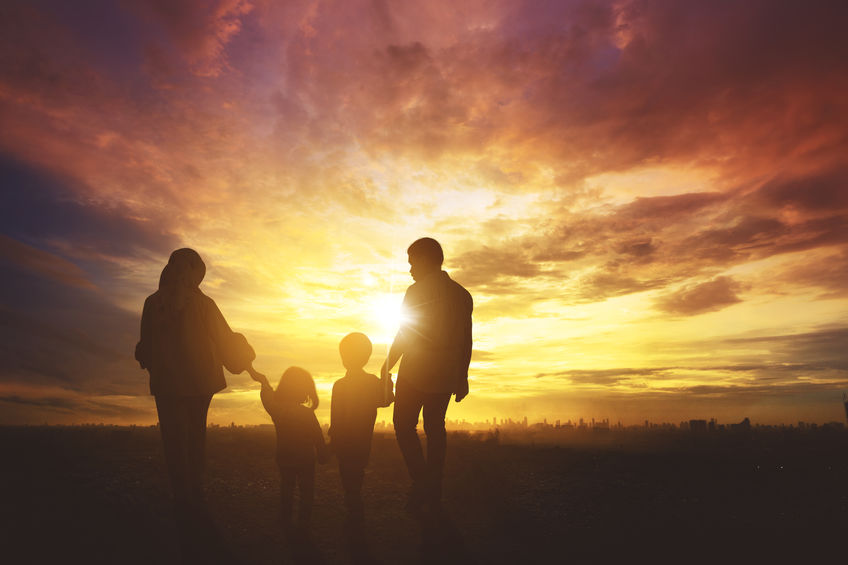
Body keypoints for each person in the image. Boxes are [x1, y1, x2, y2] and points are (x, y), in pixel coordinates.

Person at [135, 248, 257, 562]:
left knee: (180, 439)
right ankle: (191, 496)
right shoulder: (199, 303)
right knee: (188, 438)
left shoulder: (158, 302)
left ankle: (186, 496)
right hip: (192, 382)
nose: (187, 275)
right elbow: (226, 341)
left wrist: (151, 357)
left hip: (176, 384)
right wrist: (246, 360)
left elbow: (145, 349)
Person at [381, 237, 473, 515]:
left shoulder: (415, 291)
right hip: (445, 373)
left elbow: (406, 332)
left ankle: (423, 482)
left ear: (424, 259)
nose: (410, 269)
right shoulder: (461, 294)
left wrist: (387, 366)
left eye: (412, 262)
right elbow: (466, 340)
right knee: (435, 430)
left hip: (416, 371)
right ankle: (433, 488)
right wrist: (462, 376)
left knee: (403, 425)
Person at [329, 332, 394, 526]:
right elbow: (386, 400)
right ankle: (355, 508)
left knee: (348, 476)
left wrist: (332, 441)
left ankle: (353, 509)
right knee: (357, 473)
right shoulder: (372, 382)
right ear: (366, 357)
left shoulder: (339, 385)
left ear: (343, 358)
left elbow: (335, 416)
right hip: (362, 440)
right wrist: (387, 382)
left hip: (343, 440)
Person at [257, 366, 328, 537]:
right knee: (307, 492)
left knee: (286, 487)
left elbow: (266, 398)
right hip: (305, 458)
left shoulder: (277, 410)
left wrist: (264, 383)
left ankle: (285, 518)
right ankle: (303, 524)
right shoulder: (306, 413)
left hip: (284, 456)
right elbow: (317, 436)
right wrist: (323, 453)